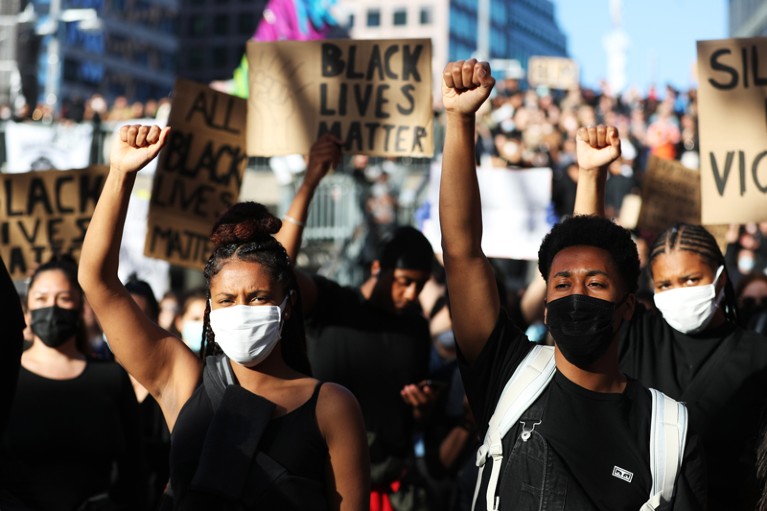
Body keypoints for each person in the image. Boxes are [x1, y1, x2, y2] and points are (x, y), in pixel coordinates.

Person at [439, 59, 706, 510]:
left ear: (627, 306)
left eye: (596, 285)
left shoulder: (667, 430)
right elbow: (462, 252)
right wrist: (460, 121)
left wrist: (592, 177)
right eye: (561, 285)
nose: (577, 294)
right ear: (544, 306)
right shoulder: (508, 376)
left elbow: (589, 253)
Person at [78, 124, 369, 510]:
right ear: (211, 308)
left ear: (288, 305)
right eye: (227, 300)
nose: (243, 310)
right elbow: (97, 281)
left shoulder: (331, 406)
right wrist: (120, 173)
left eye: (259, 297)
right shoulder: (183, 380)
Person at [574, 121, 767, 511]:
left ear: (719, 279)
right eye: (666, 285)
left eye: (691, 279)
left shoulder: (757, 354)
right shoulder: (637, 334)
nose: (679, 292)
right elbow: (587, 260)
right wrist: (592, 175)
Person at [275, 135, 435, 509]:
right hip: (320, 488)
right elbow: (277, 271)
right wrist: (310, 181)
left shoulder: (414, 327)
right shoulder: (331, 304)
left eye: (421, 285)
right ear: (378, 268)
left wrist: (421, 408)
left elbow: (408, 419)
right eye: (404, 281)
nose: (411, 294)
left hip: (392, 493)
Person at [0, 255, 146, 510]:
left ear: (80, 307)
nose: (52, 308)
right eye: (42, 299)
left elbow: (134, 468)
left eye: (64, 299)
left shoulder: (111, 377)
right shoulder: (7, 376)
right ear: (26, 308)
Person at [125, 277, 172, 511]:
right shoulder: (101, 377)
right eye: (122, 316)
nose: (129, 325)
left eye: (139, 315)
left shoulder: (171, 379)